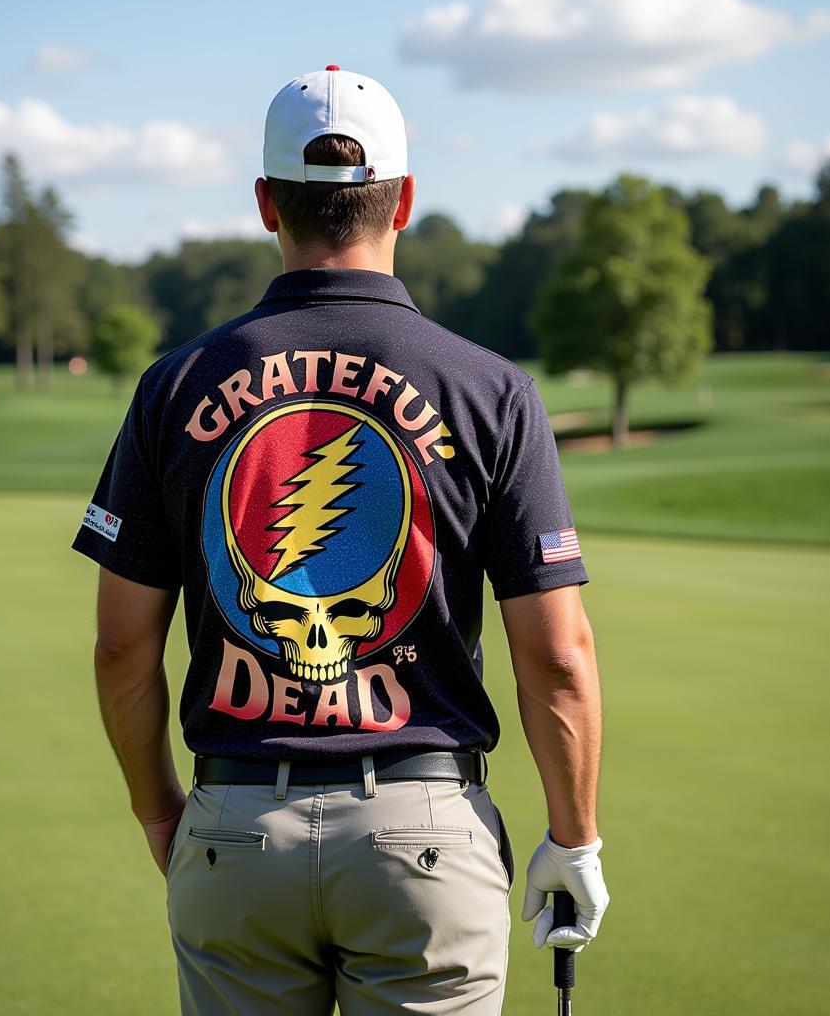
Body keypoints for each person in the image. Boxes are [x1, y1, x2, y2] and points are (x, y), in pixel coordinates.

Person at [72, 65, 609, 1016]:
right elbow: (558, 657)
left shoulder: (173, 383)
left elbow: (122, 644)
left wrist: (161, 808)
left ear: (265, 203)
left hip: (234, 825)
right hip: (426, 839)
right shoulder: (492, 389)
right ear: (404, 200)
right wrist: (573, 840)